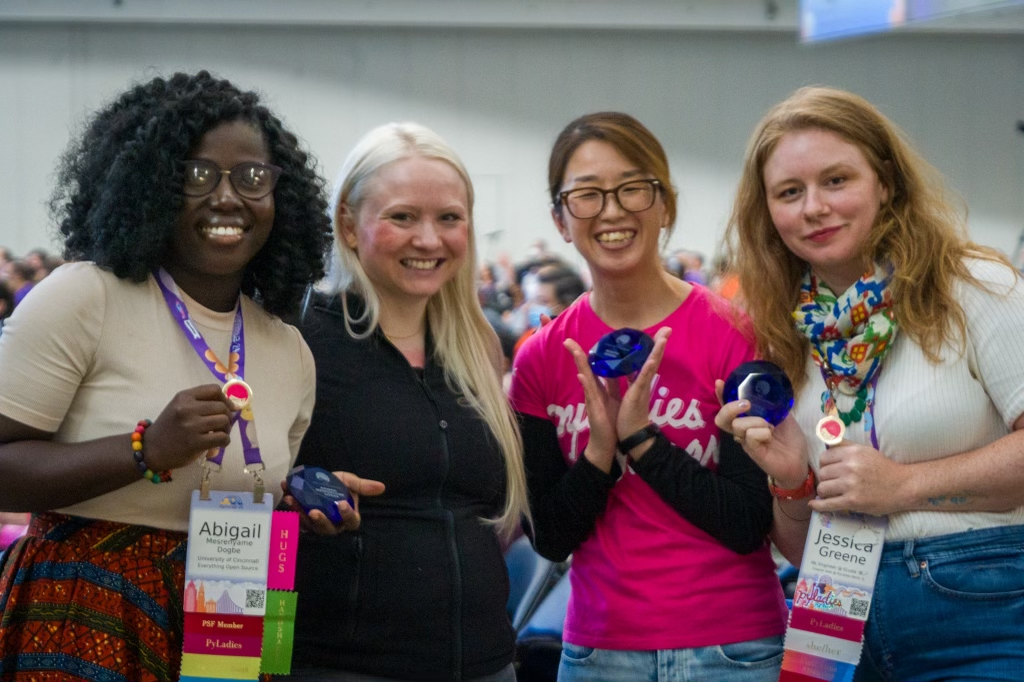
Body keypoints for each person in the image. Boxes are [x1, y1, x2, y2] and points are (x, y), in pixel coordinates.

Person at [0, 70, 330, 682]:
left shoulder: (289, 350)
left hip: (227, 613)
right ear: (151, 186)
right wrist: (144, 449)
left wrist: (301, 497)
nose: (228, 198)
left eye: (252, 178)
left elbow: (239, 484)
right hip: (83, 614)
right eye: (196, 174)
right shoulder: (84, 298)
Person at [718, 86, 1024, 681]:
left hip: (975, 602)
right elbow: (796, 545)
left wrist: (905, 485)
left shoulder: (974, 286)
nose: (813, 207)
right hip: (828, 604)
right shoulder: (786, 332)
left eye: (836, 180)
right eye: (789, 192)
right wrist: (790, 482)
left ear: (885, 182)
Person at [508, 112, 788, 682]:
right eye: (586, 194)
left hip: (735, 648)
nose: (611, 211)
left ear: (665, 206)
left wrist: (642, 441)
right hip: (598, 652)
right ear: (561, 219)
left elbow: (747, 521)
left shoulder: (737, 335)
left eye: (632, 188)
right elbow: (552, 537)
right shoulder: (541, 358)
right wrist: (598, 455)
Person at [282, 122, 529, 682]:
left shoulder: (477, 346)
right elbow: (241, 485)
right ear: (349, 223)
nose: (429, 240)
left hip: (487, 663)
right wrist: (292, 488)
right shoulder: (298, 337)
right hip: (342, 666)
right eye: (402, 217)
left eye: (449, 218)